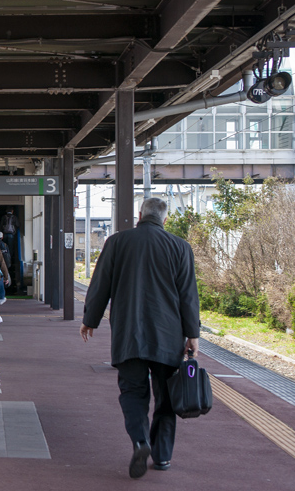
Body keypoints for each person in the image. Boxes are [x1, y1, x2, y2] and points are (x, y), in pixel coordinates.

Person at [80, 197, 200, 479]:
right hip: (168, 336)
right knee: (166, 397)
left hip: (129, 334)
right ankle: (163, 456)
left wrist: (90, 319)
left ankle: (139, 441)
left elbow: (100, 284)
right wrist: (192, 334)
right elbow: (188, 295)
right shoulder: (181, 247)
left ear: (139, 215)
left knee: (133, 393)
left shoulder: (117, 242)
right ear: (165, 219)